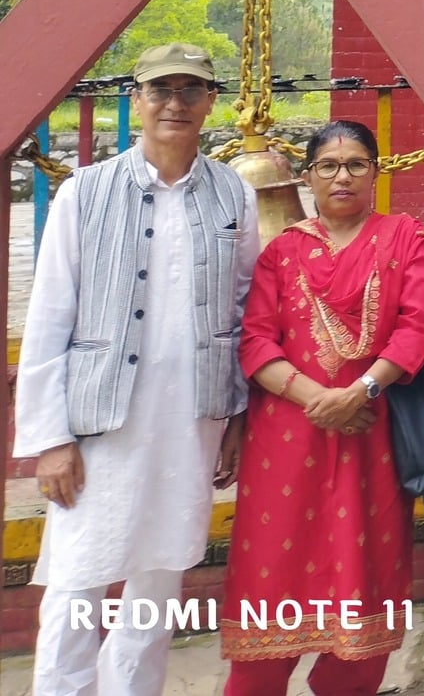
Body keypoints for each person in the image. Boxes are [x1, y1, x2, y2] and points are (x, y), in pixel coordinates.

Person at [15, 43, 259, 696]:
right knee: (74, 589)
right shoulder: (85, 193)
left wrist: (236, 416)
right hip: (98, 428)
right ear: (137, 99)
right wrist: (50, 439)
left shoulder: (234, 194)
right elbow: (48, 318)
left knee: (155, 594)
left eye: (190, 90)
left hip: (189, 427)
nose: (175, 103)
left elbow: (242, 312)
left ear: (210, 102)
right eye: (160, 89)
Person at [222, 121, 424, 696]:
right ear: (308, 176)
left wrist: (360, 391)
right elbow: (255, 342)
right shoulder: (282, 251)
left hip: (370, 441)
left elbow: (417, 329)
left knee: (364, 589)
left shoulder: (406, 238)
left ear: (375, 171)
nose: (342, 176)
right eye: (328, 166)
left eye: (356, 164)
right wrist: (319, 398)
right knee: (272, 590)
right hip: (287, 445)